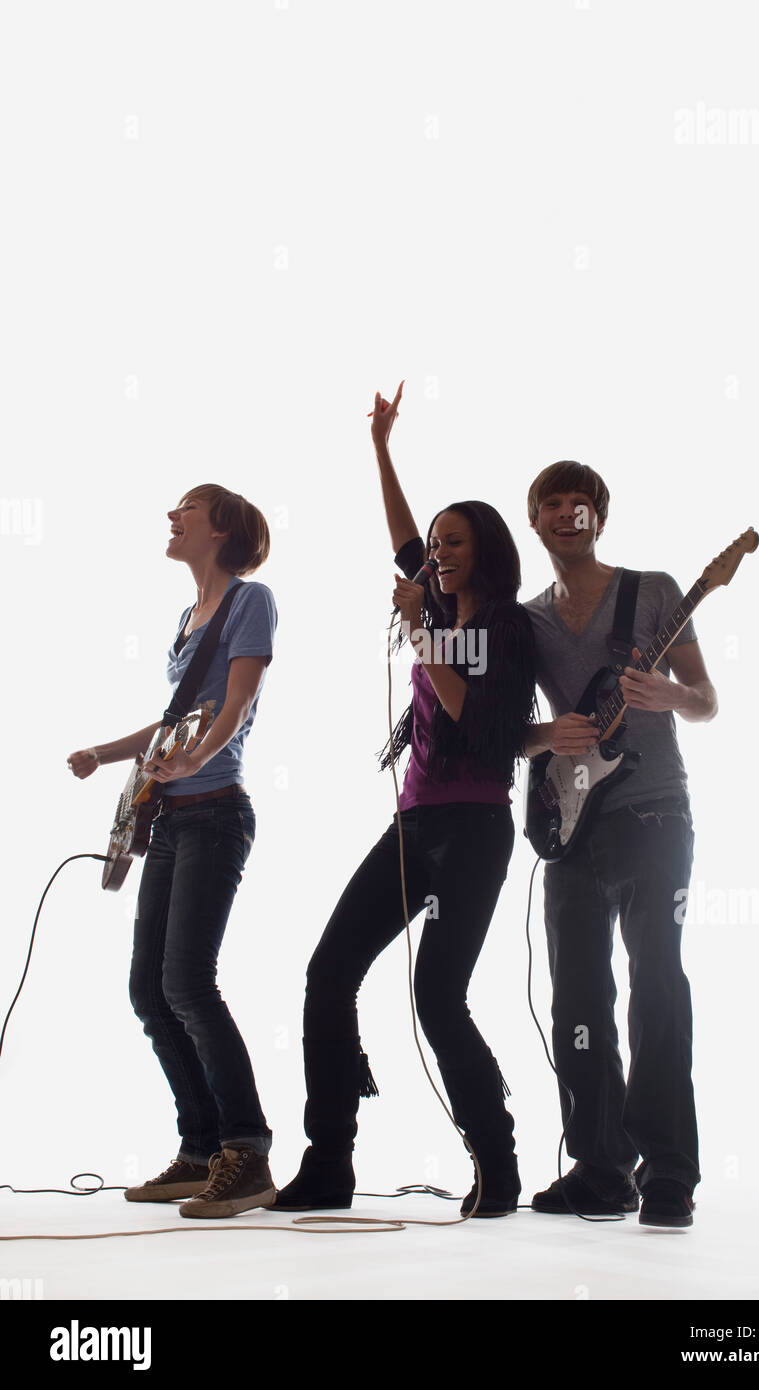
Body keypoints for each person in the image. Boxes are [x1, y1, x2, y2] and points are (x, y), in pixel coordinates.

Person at [272, 381, 536, 1217]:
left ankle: (497, 1159)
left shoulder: (501, 626)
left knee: (437, 996)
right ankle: (329, 1163)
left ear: (485, 551)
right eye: (435, 544)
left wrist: (421, 631)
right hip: (413, 822)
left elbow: (473, 716)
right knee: (328, 973)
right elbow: (401, 531)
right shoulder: (433, 595)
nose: (437, 553)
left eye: (454, 543)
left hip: (475, 827)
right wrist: (381, 446)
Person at [67, 484, 278, 1219]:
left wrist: (199, 759)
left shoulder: (251, 603)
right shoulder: (185, 622)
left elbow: (237, 703)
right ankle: (200, 1150)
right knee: (148, 991)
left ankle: (247, 1151)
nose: (172, 516)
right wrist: (104, 752)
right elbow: (173, 720)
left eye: (186, 507)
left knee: (188, 982)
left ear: (221, 528)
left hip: (217, 813)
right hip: (172, 818)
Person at [522, 461, 717, 1228]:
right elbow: (502, 726)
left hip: (653, 812)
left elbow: (706, 699)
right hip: (568, 821)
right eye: (553, 504)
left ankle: (670, 1171)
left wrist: (669, 694)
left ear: (600, 518)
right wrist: (547, 733)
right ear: (534, 519)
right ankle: (601, 1166)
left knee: (657, 981)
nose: (569, 514)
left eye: (583, 504)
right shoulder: (527, 620)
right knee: (576, 996)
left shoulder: (657, 591)